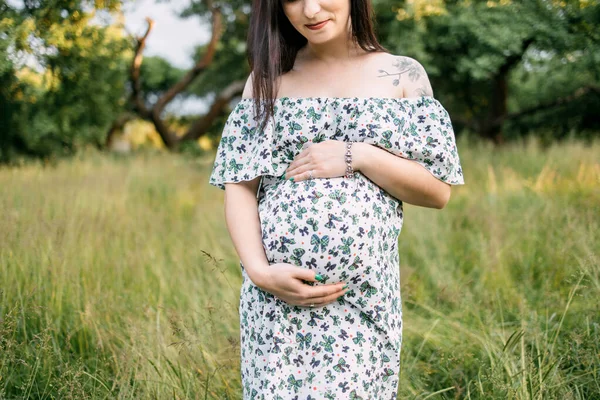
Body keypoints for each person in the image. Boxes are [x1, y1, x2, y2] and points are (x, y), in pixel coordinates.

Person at [209, 0, 465, 398]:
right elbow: (240, 186)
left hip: (361, 300)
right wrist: (260, 272)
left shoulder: (400, 74)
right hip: (276, 303)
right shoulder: (268, 80)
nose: (311, 10)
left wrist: (358, 155)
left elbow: (437, 191)